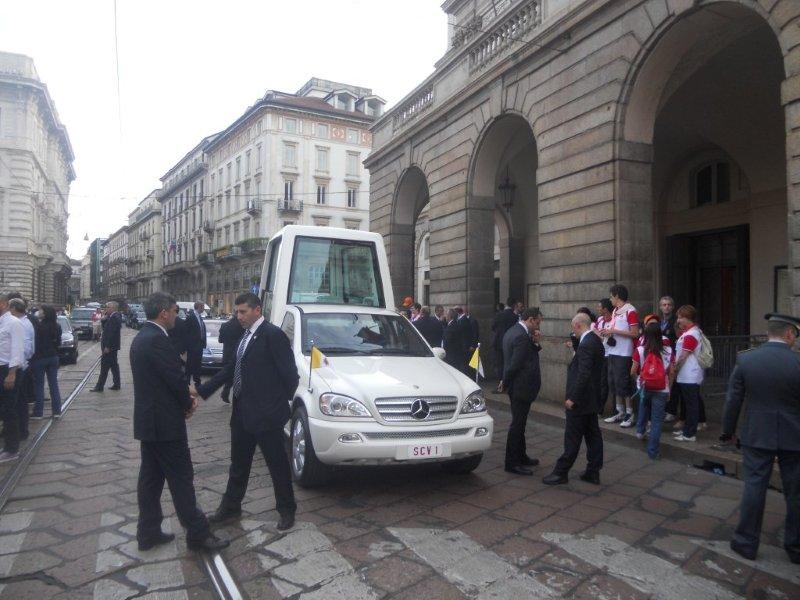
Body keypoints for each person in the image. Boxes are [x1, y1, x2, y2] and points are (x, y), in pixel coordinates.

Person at [131, 292, 228, 552]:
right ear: (164, 312)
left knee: (150, 480)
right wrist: (188, 404)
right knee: (181, 479)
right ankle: (198, 533)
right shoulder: (156, 341)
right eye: (175, 310)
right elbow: (174, 380)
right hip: (165, 425)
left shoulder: (142, 337)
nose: (177, 315)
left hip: (149, 423)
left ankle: (147, 532)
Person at [196, 293, 300, 532]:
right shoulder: (246, 336)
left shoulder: (273, 335)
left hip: (266, 416)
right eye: (237, 312)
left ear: (257, 310)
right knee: (239, 465)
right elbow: (232, 368)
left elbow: (290, 376)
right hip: (242, 413)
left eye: (243, 312)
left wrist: (274, 405)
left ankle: (287, 510)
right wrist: (203, 390)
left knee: (277, 466)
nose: (238, 316)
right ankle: (231, 507)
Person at [721, 313, 800, 564]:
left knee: (755, 486)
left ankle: (746, 542)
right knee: (796, 492)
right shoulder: (797, 362)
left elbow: (733, 400)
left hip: (757, 432)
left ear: (769, 334)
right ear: (789, 334)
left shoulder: (747, 360)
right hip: (794, 434)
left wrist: (728, 430)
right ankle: (795, 546)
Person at [543, 313, 605, 485]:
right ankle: (593, 471)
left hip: (581, 400)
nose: (573, 332)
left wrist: (573, 398)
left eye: (573, 328)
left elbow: (583, 374)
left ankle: (561, 472)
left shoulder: (586, 344)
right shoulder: (595, 341)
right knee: (593, 436)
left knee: (572, 437)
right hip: (592, 399)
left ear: (578, 325)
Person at [500, 308, 542, 475]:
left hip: (518, 386)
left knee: (521, 422)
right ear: (530, 320)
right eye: (538, 322)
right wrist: (505, 382)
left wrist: (536, 343)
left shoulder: (514, 331)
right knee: (517, 424)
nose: (539, 326)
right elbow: (515, 364)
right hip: (521, 386)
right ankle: (512, 462)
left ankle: (521, 455)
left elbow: (524, 354)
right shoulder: (521, 336)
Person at [631, 319, 674, 460]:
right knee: (656, 421)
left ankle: (640, 430)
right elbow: (672, 372)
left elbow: (633, 371)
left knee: (644, 405)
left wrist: (639, 380)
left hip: (645, 386)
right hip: (662, 389)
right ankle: (653, 451)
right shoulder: (668, 350)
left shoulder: (640, 350)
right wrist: (669, 389)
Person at [600, 284, 640, 427]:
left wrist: (615, 331)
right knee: (614, 383)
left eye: (611, 296)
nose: (610, 299)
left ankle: (630, 413)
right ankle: (620, 411)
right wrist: (608, 331)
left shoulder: (630, 311)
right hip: (613, 352)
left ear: (617, 295)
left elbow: (635, 333)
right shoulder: (616, 310)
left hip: (625, 353)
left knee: (624, 383)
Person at [670, 305, 705, 442]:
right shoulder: (691, 332)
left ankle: (689, 433)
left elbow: (683, 356)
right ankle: (687, 431)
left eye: (680, 317)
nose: (678, 320)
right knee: (689, 404)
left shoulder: (692, 334)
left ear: (687, 318)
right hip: (687, 375)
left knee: (691, 405)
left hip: (689, 375)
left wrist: (675, 368)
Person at [0, 293, 24, 463]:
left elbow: (17, 350)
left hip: (8, 370)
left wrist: (11, 373)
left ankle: (12, 448)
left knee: (9, 409)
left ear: (3, 304)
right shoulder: (2, 323)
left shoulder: (14, 323)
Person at [31, 305, 63, 419]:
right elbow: (58, 343)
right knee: (53, 384)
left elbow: (34, 344)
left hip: (40, 358)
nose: (39, 312)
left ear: (45, 313)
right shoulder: (57, 326)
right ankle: (57, 411)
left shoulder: (38, 326)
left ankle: (38, 412)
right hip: (53, 357)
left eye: (40, 310)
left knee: (39, 386)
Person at [8, 299, 34, 439]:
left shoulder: (21, 324)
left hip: (19, 367)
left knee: (16, 402)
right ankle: (21, 430)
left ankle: (18, 432)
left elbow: (25, 349)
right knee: (20, 400)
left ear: (13, 309)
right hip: (22, 366)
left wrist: (15, 368)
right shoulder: (24, 322)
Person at [90, 301, 122, 392]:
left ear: (113, 308)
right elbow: (106, 329)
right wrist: (104, 318)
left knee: (104, 367)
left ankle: (99, 387)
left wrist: (107, 346)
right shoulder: (113, 317)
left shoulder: (114, 317)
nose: (106, 309)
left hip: (110, 347)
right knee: (114, 366)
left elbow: (111, 334)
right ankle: (117, 384)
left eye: (108, 307)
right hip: (113, 347)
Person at [492, 297, 521, 385]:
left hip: (499, 343)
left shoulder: (499, 315)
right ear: (514, 305)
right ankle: (509, 383)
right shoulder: (515, 317)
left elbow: (493, 327)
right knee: (509, 363)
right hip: (511, 343)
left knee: (500, 364)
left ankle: (501, 383)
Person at [217, 315, 244, 403]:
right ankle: (231, 394)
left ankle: (226, 391)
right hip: (238, 354)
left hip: (227, 354)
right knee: (237, 376)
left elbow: (220, 340)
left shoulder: (224, 325)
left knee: (229, 374)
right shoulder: (242, 326)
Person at [593, 298, 613, 413]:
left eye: (599, 307)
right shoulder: (600, 319)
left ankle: (601, 409)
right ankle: (598, 407)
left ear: (605, 309)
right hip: (600, 355)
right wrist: (599, 334)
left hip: (610, 355)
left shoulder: (614, 320)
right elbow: (594, 329)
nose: (597, 309)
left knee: (606, 383)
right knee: (599, 382)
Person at [184, 302, 207, 388]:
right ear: (198, 307)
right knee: (189, 363)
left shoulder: (200, 317)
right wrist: (187, 344)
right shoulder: (191, 317)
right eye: (203, 307)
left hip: (199, 345)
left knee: (198, 364)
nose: (204, 309)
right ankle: (186, 381)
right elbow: (185, 331)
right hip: (192, 345)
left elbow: (201, 330)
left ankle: (197, 381)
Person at [442, 308, 468, 373]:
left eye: (446, 315)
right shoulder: (458, 325)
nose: (445, 316)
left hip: (451, 356)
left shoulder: (451, 327)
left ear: (450, 316)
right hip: (458, 355)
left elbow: (447, 342)